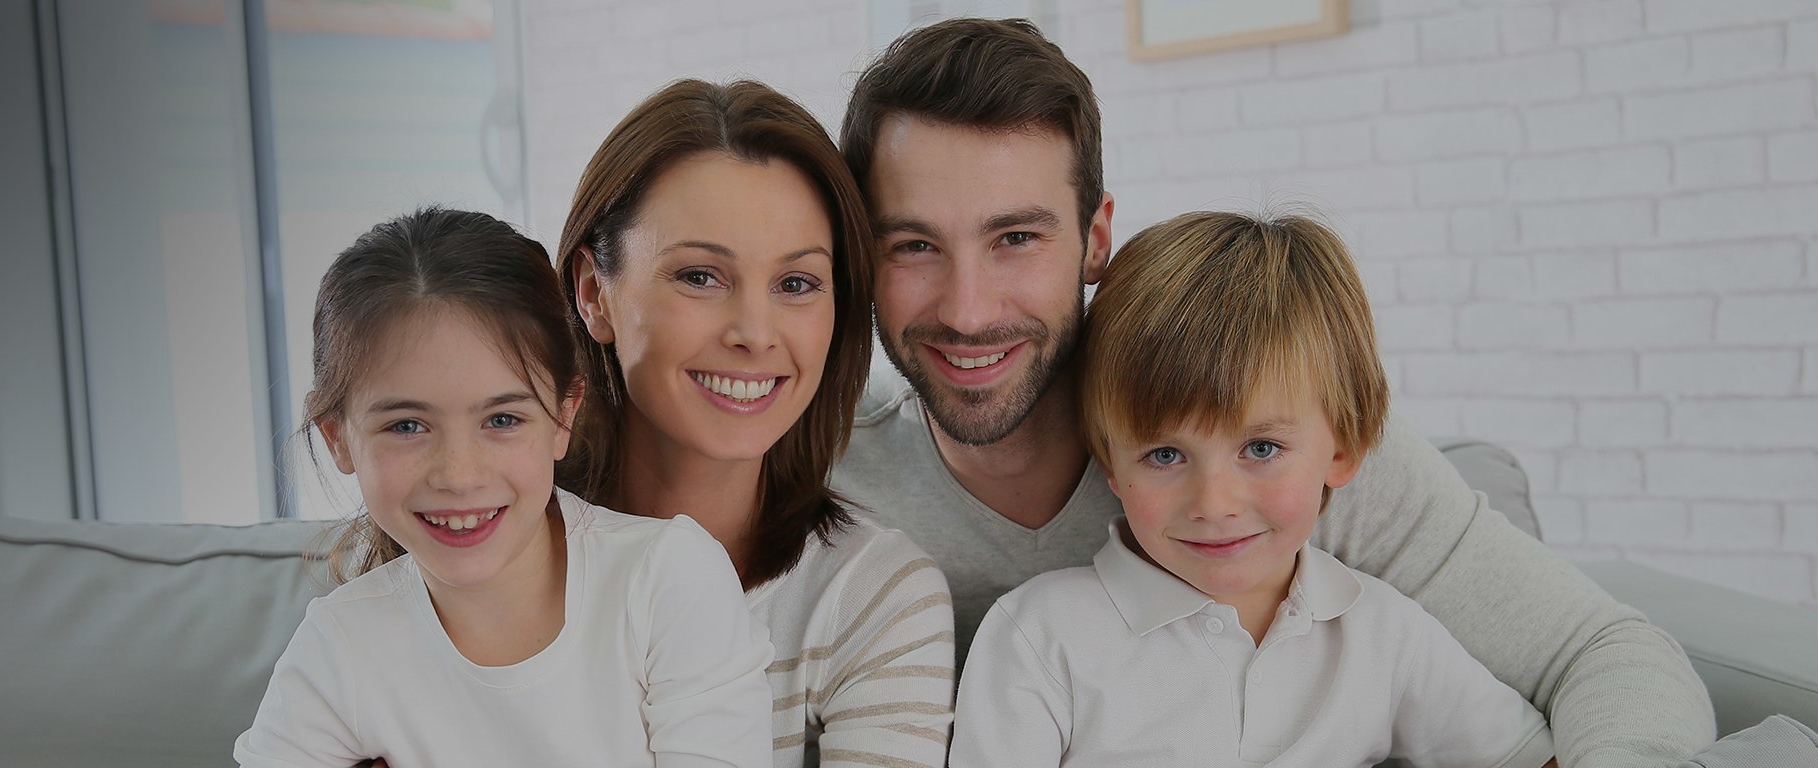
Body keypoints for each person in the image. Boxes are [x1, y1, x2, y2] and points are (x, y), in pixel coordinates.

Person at [830, 16, 1716, 765]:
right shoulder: (816, 476)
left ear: (1097, 236)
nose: (968, 308)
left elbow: (1605, 652)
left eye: (1017, 236)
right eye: (912, 245)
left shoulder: (1287, 440)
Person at [951, 211, 1557, 767]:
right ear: (1111, 464)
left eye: (1261, 449)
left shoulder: (1383, 633)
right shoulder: (1039, 635)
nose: (1214, 504)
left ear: (1342, 450)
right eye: (1165, 455)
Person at [234, 208, 774, 768]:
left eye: (502, 420)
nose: (459, 474)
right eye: (407, 427)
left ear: (563, 417)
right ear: (338, 439)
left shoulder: (667, 583)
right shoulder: (340, 648)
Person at [556, 80, 954, 768]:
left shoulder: (871, 596)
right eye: (701, 277)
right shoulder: (473, 540)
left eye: (796, 284)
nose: (753, 333)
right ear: (595, 294)